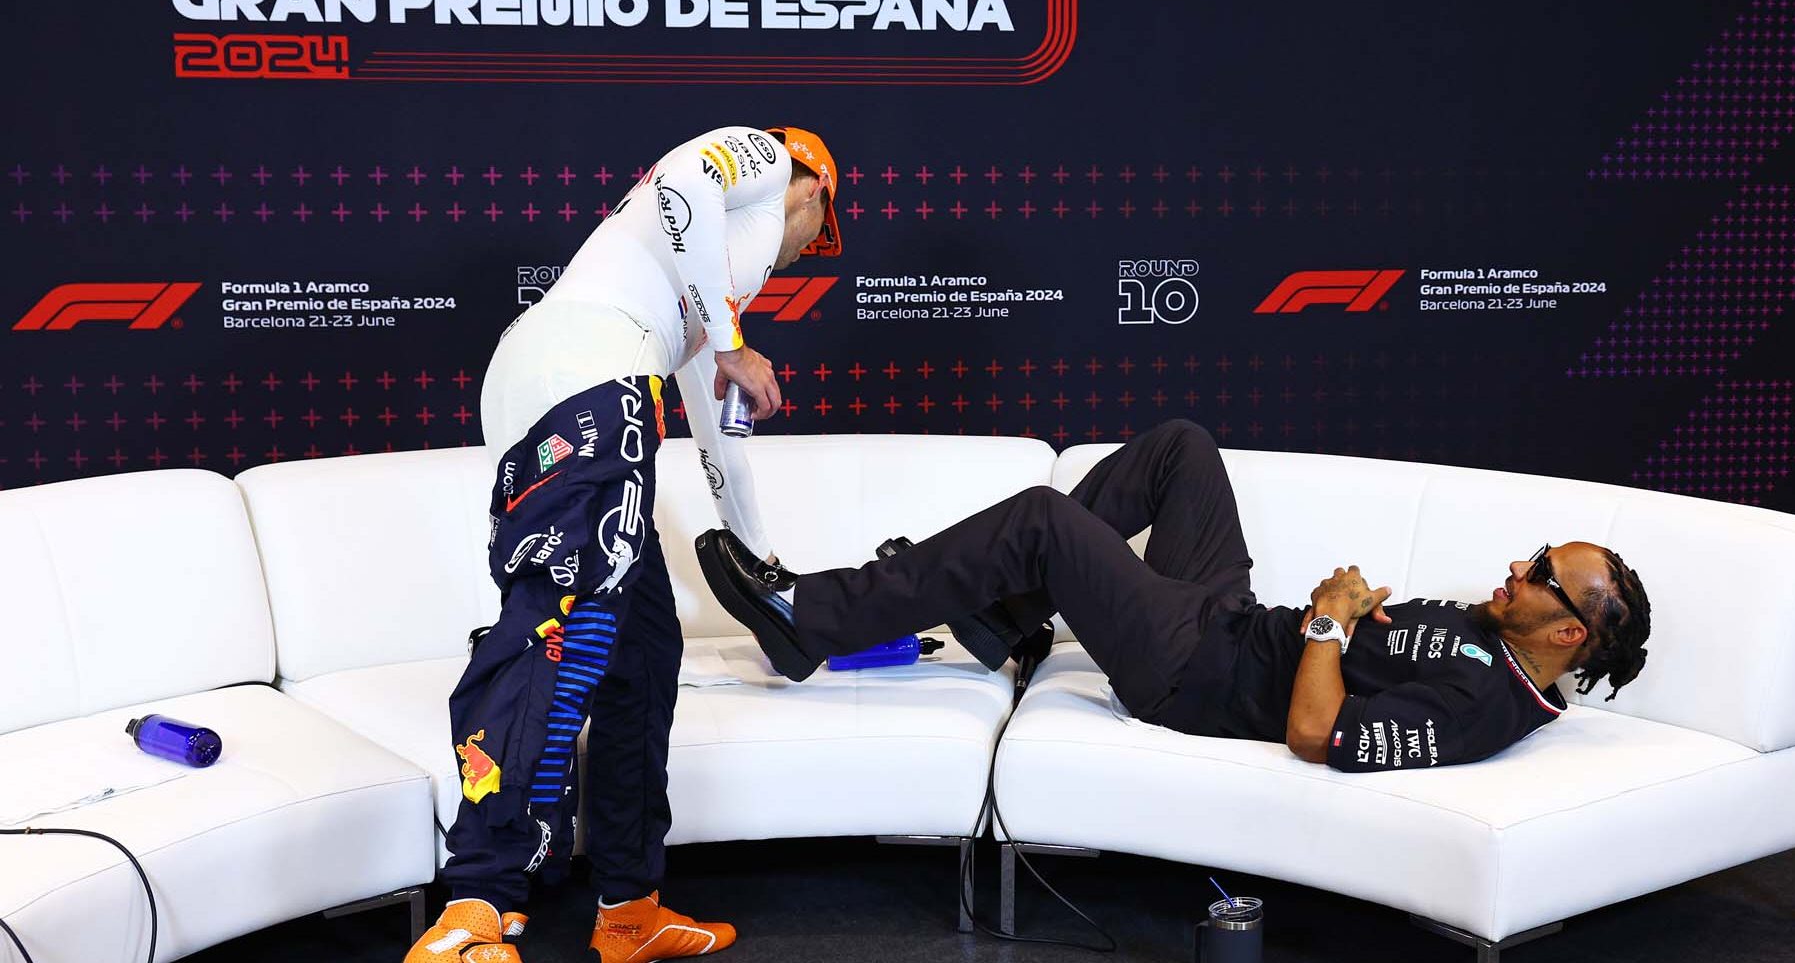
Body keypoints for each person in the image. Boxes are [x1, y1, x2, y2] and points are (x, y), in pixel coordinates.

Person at [406, 125, 842, 963]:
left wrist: (761, 559)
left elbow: (716, 435)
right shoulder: (759, 159)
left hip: (578, 378)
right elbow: (683, 180)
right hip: (585, 370)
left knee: (641, 647)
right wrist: (734, 343)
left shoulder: (695, 279)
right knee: (559, 620)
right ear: (813, 189)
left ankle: (628, 906)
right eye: (815, 237)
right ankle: (476, 902)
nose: (802, 257)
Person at [697, 420, 1652, 771]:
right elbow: (1368, 648)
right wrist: (1353, 618)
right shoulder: (1488, 627)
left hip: (1192, 676)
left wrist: (1329, 618)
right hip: (1231, 621)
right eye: (1532, 553)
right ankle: (995, 618)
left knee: (1041, 518)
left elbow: (1319, 736)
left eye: (1539, 575)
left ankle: (804, 621)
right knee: (1181, 451)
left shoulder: (1487, 707)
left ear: (1569, 630)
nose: (1517, 569)